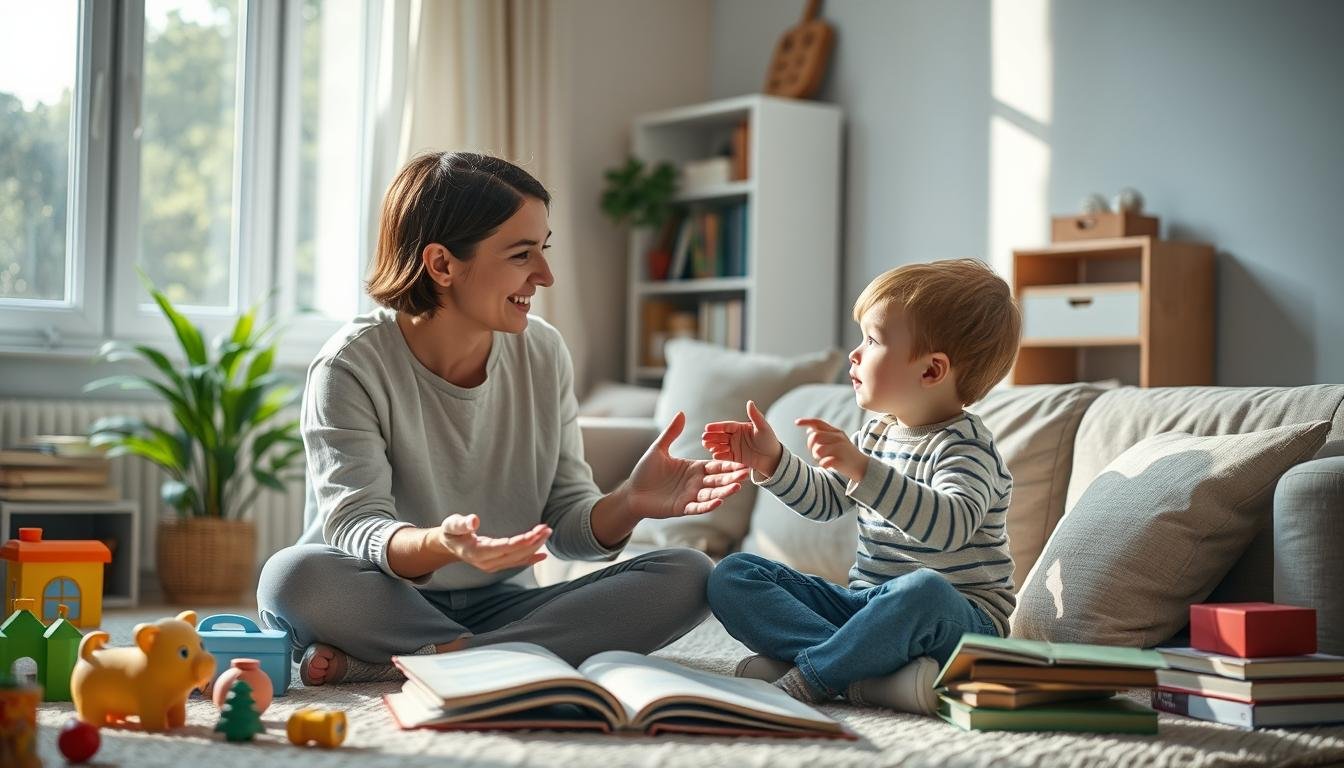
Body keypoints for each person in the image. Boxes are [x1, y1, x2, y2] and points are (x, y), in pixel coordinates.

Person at [257, 151, 748, 685]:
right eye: (521, 255)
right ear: (442, 264)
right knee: (292, 577)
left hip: (504, 604)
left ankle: (434, 658)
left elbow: (564, 523)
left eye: (544, 250)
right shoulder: (349, 366)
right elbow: (357, 526)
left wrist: (630, 502)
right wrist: (441, 545)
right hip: (382, 594)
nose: (546, 275)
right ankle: (494, 656)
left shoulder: (544, 352)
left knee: (689, 574)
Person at [701, 259, 1022, 711]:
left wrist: (864, 471)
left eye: (872, 340)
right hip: (866, 609)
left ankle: (814, 675)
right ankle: (857, 669)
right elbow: (826, 502)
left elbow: (949, 527)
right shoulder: (876, 433)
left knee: (923, 590)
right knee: (733, 575)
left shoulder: (967, 448)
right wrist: (772, 461)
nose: (855, 353)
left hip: (960, 623)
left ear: (931, 371)